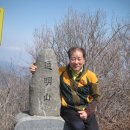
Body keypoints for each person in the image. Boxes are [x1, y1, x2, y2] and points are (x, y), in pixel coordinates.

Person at [30, 47, 100, 130]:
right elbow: (47, 70)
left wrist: (87, 112)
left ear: (84, 60)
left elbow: (96, 97)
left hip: (86, 108)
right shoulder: (61, 72)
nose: (76, 62)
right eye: (73, 59)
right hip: (68, 110)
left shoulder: (91, 76)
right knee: (78, 127)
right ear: (69, 60)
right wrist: (35, 66)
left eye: (79, 59)